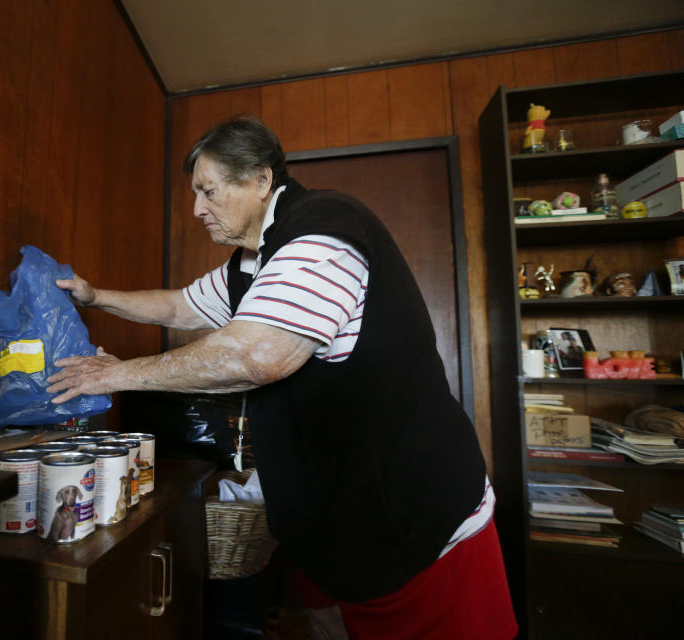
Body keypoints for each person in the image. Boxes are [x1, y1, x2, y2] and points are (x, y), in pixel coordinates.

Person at [47, 115, 517, 639]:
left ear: (261, 180)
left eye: (208, 191)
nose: (197, 209)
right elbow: (180, 306)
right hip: (332, 524)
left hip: (412, 519)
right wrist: (97, 297)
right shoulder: (250, 264)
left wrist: (116, 376)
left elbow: (259, 355)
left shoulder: (323, 229)